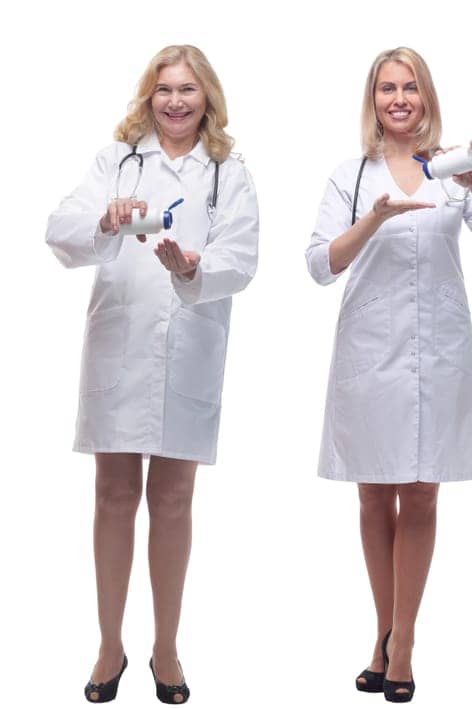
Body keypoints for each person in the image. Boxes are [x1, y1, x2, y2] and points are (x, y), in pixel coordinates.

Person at [305, 46, 472, 704]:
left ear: (427, 97)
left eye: (410, 88)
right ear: (372, 101)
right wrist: (373, 218)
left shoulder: (450, 174)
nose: (398, 99)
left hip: (438, 354)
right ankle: (384, 630)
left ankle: (404, 643)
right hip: (370, 356)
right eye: (386, 89)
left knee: (423, 496)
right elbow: (320, 265)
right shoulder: (351, 176)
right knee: (374, 496)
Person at [46, 44, 258, 706]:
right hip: (120, 342)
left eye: (187, 90)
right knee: (113, 495)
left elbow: (244, 256)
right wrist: (104, 219)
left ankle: (166, 646)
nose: (174, 101)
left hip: (190, 344)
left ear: (208, 99)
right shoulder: (118, 160)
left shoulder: (229, 171)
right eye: (164, 89)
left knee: (171, 499)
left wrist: (193, 265)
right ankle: (111, 642)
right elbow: (59, 230)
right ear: (148, 96)